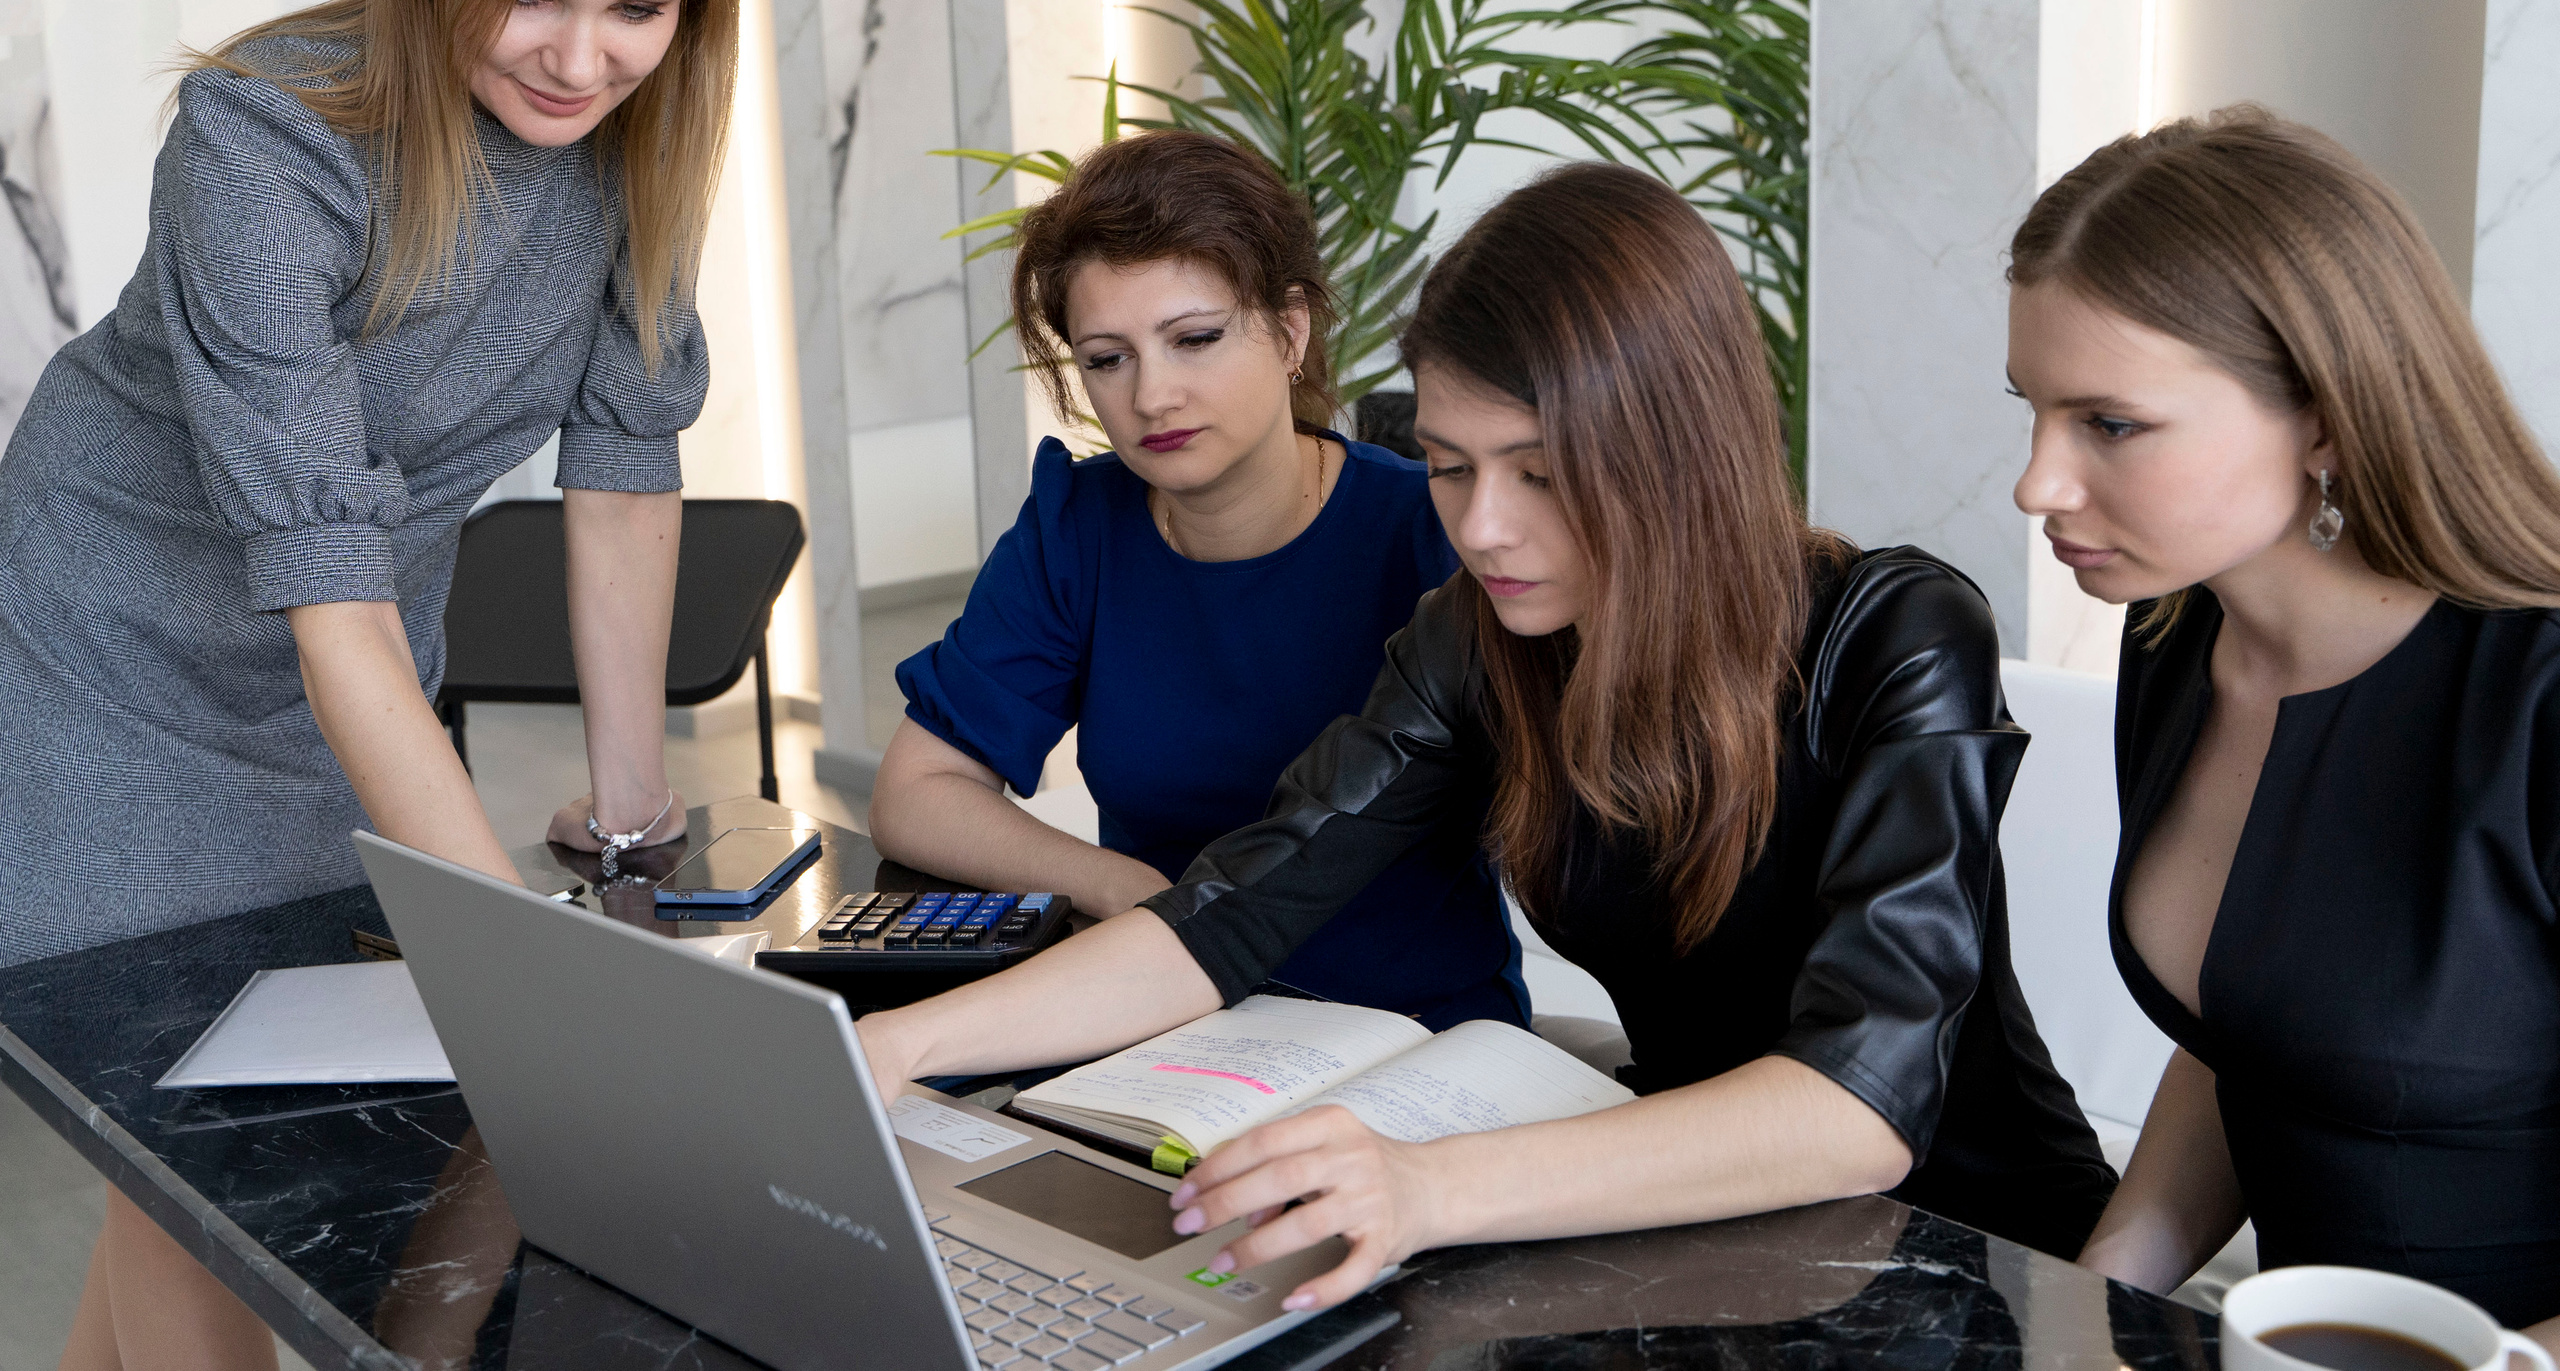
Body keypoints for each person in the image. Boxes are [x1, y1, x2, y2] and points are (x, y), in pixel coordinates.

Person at [859, 161, 2117, 1313]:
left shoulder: (1894, 630)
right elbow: (1233, 909)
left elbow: (1861, 1103)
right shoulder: (1477, 640)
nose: (1483, 528)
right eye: (1453, 469)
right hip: (1699, 1225)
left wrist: (1430, 1186)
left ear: (1672, 447)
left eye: (1540, 473)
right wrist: (902, 1044)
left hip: (1980, 1253)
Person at [0, 0, 736, 1370]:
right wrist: (521, 993)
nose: (581, 58)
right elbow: (328, 599)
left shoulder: (638, 151)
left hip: (342, 672)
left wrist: (627, 819)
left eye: (640, 6)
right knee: (212, 1163)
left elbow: (618, 481)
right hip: (106, 664)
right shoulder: (265, 144)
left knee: (192, 1152)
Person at [2007, 108, 2560, 1335]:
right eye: (2032, 411)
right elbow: (2251, 1036)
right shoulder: (2178, 642)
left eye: (2109, 424)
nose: (2037, 484)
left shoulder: (2537, 700)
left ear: (2321, 413)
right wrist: (2095, 1304)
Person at [868, 129, 1525, 1029]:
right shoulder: (1080, 526)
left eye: (1195, 338)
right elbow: (917, 791)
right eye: (1108, 357)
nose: (1152, 396)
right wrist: (1126, 889)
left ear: (1290, 330)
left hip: (1410, 1034)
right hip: (1162, 1016)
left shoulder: (1433, 528)